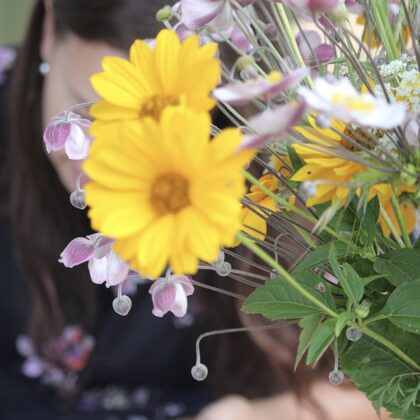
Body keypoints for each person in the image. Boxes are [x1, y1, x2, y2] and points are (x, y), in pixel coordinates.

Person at [0, 0, 390, 419]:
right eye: (89, 112)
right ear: (48, 29)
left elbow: (386, 381)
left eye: (155, 132)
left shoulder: (276, 156)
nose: (108, 163)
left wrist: (251, 416)